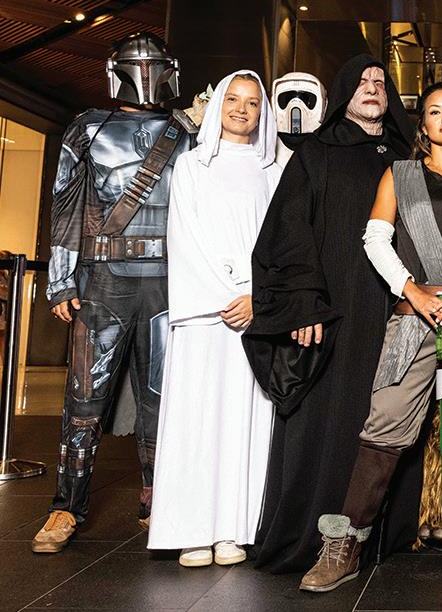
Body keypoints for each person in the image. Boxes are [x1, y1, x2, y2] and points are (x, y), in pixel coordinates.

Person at [298, 82, 442, 592]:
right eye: (434, 111)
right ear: (423, 125)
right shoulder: (399, 174)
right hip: (414, 316)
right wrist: (413, 290)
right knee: (386, 420)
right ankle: (345, 546)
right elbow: (375, 239)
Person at [242, 55, 419, 574]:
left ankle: (381, 534)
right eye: (362, 82)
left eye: (381, 83)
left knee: (390, 417)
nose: (373, 88)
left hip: (399, 311)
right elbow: (288, 231)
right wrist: (303, 302)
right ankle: (318, 535)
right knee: (329, 419)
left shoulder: (407, 157)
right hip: (335, 310)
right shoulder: (316, 153)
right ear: (344, 93)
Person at [33, 33, 193, 554]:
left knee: (163, 401)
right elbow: (66, 205)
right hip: (104, 282)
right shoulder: (88, 128)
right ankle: (65, 506)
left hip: (171, 283)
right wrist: (61, 278)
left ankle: (159, 504)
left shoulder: (188, 132)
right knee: (84, 399)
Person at [148, 71, 280, 567]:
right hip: (206, 315)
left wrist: (257, 296)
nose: (242, 109)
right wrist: (227, 295)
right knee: (198, 420)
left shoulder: (274, 170)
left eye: (252, 102)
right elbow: (183, 236)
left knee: (245, 422)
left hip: (253, 312)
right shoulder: (191, 166)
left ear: (263, 112)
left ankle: (233, 529)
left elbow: (282, 242)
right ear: (219, 104)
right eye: (233, 100)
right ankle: (193, 530)